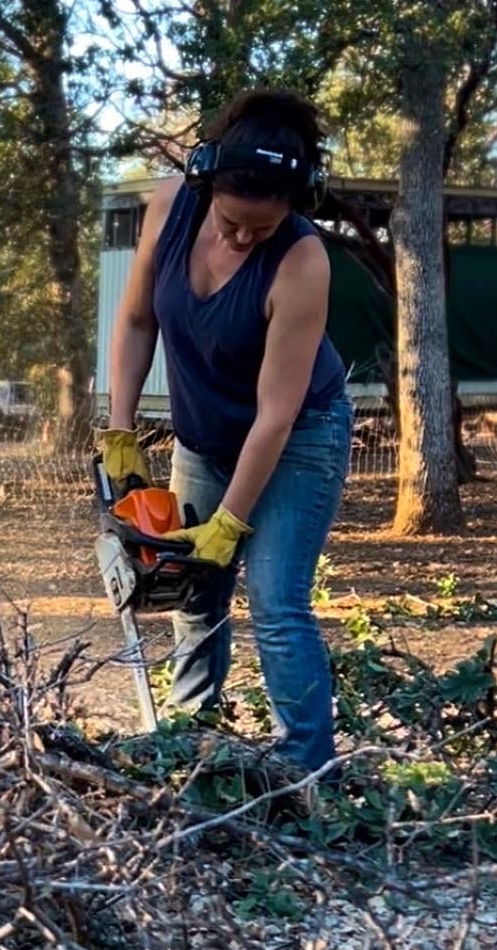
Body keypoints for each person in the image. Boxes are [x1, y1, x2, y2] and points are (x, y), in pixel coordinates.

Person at [102, 88, 352, 770]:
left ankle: (307, 771)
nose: (242, 237)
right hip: (203, 437)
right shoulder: (169, 205)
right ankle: (191, 743)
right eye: (233, 221)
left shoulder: (303, 263)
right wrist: (121, 432)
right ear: (207, 180)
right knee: (193, 589)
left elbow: (276, 414)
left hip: (300, 436)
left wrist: (230, 522)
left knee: (275, 600)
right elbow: (135, 320)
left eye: (260, 229)